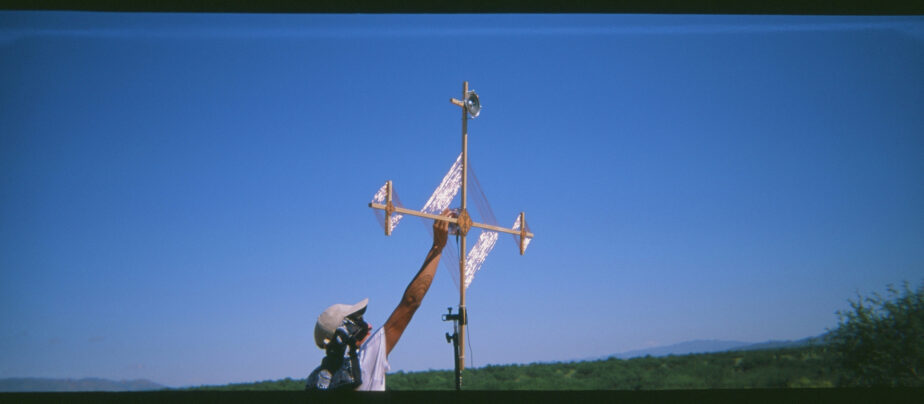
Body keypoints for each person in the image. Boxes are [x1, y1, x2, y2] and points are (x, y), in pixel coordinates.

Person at [306, 210, 451, 391]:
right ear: (345, 336)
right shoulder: (365, 363)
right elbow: (411, 301)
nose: (368, 326)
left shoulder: (318, 381)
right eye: (358, 323)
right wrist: (438, 247)